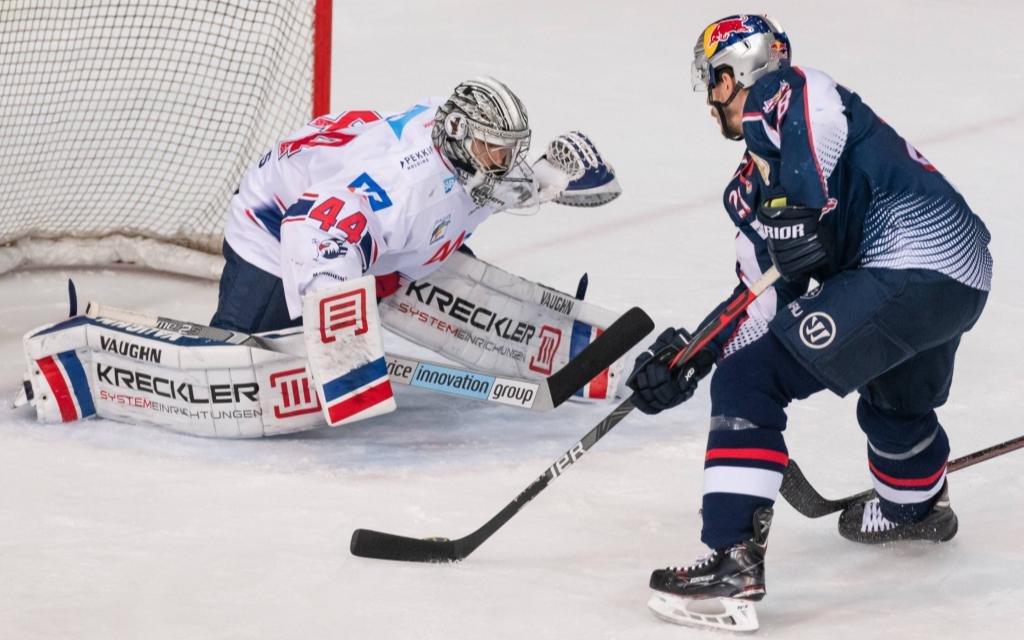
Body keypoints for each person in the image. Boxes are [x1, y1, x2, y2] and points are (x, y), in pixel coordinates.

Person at [628, 14, 992, 630]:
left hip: (913, 261)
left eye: (712, 81)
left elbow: (809, 119)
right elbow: (761, 296)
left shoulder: (793, 93)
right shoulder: (749, 185)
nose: (709, 98)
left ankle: (732, 562)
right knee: (892, 404)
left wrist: (794, 209)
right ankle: (917, 508)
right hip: (958, 276)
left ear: (734, 73)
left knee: (749, 385)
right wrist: (692, 355)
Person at [211, 76, 619, 333]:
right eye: (494, 151)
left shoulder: (465, 155)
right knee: (245, 348)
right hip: (274, 225)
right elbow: (316, 225)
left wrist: (552, 173)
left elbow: (513, 176)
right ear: (461, 137)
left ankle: (391, 275)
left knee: (422, 236)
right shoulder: (407, 185)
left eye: (511, 152)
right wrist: (339, 313)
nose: (506, 164)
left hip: (363, 215)